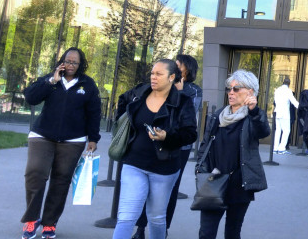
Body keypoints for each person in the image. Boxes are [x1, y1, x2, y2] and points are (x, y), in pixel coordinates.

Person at [112, 59, 198, 239]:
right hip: (133, 163)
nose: (153, 77)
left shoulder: (183, 101)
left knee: (156, 218)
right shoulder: (139, 92)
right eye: (152, 73)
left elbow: (190, 134)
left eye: (159, 74)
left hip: (164, 168)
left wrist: (167, 137)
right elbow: (122, 101)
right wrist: (122, 125)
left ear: (171, 77)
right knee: (126, 217)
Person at [21, 47, 102, 239]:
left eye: (75, 62)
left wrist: (93, 138)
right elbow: (31, 98)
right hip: (42, 135)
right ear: (62, 61)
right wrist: (51, 81)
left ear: (81, 65)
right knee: (35, 173)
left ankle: (50, 223)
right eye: (67, 61)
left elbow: (94, 113)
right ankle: (32, 219)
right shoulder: (51, 79)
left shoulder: (87, 85)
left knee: (61, 181)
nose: (70, 65)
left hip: (72, 140)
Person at [196, 70, 271, 239]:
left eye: (236, 89)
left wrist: (254, 110)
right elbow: (205, 144)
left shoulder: (253, 117)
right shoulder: (218, 115)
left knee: (232, 232)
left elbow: (263, 131)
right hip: (214, 181)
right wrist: (200, 168)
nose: (231, 92)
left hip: (239, 184)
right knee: (206, 232)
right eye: (229, 89)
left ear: (250, 92)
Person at [273, 77, 300, 154]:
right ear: (289, 84)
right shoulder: (288, 91)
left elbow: (275, 101)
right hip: (284, 113)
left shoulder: (277, 90)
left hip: (277, 112)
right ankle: (281, 148)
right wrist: (301, 107)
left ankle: (275, 148)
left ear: (283, 82)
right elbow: (294, 101)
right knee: (286, 130)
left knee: (278, 131)